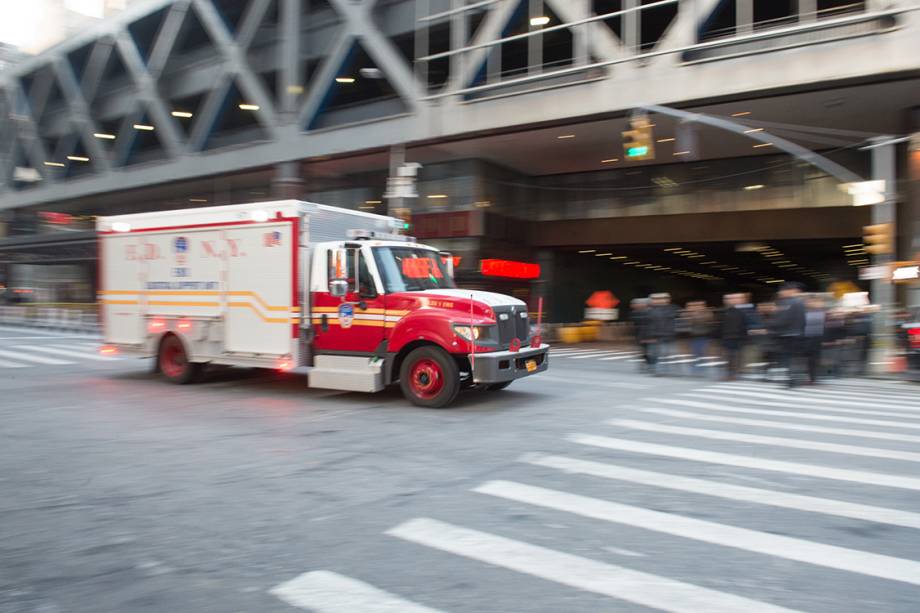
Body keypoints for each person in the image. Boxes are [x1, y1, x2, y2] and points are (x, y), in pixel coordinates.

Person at [773, 282, 807, 387]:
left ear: (789, 291)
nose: (781, 293)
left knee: (788, 357)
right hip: (797, 333)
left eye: (783, 291)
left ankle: (791, 379)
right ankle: (794, 378)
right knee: (793, 357)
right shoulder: (800, 302)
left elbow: (783, 319)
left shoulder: (787, 302)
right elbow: (803, 320)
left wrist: (773, 327)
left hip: (788, 334)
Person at [646, 293, 678, 375]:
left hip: (670, 335)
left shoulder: (672, 308)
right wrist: (651, 335)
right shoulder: (652, 310)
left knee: (668, 354)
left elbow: (674, 321)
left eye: (664, 298)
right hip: (658, 336)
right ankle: (659, 371)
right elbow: (650, 324)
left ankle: (665, 370)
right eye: (658, 299)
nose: (661, 300)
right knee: (659, 354)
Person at [720, 293, 749, 381]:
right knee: (731, 357)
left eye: (731, 299)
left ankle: (732, 374)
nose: (729, 301)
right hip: (730, 338)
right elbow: (722, 327)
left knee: (732, 357)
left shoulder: (738, 312)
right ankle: (732, 374)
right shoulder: (725, 312)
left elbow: (744, 325)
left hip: (734, 338)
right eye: (727, 299)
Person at [685, 301, 714, 376]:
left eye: (700, 305)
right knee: (695, 354)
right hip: (694, 337)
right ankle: (695, 370)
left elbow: (709, 320)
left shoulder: (707, 313)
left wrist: (698, 314)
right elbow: (688, 321)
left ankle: (703, 369)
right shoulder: (691, 314)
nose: (698, 306)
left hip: (704, 336)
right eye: (696, 305)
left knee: (703, 354)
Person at [803, 296, 827, 384]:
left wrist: (825, 339)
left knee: (814, 359)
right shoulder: (805, 312)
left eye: (813, 302)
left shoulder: (823, 313)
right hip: (807, 338)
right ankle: (811, 377)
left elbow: (826, 327)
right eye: (809, 302)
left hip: (818, 338)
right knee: (810, 359)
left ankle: (812, 377)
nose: (810, 303)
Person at [631, 298, 652, 372]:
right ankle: (647, 365)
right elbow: (635, 326)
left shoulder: (650, 312)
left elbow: (649, 325)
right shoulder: (635, 313)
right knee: (644, 352)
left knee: (648, 352)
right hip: (640, 335)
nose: (639, 305)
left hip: (648, 335)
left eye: (641, 303)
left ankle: (650, 365)